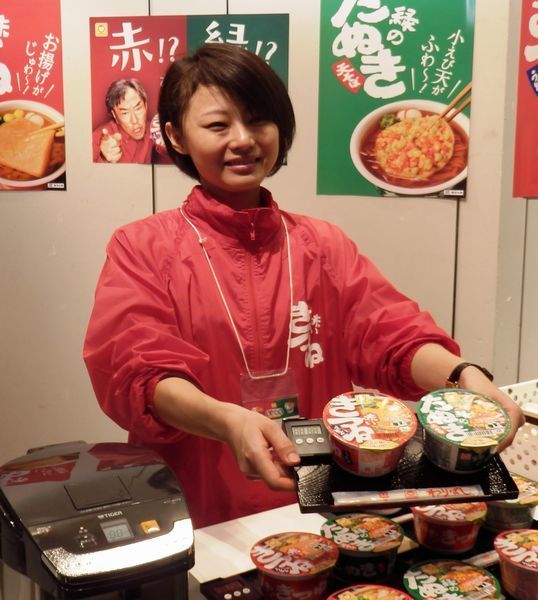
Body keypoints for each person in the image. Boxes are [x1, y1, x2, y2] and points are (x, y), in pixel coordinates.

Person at [83, 44, 524, 529]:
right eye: (217, 125)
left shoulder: (321, 243)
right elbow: (135, 373)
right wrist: (229, 422)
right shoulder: (142, 246)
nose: (243, 140)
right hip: (198, 510)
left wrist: (462, 377)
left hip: (322, 507)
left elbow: (392, 335)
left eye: (258, 121)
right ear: (176, 137)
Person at [92, 78, 155, 164]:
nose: (134, 120)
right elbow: (82, 174)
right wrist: (104, 160)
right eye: (125, 113)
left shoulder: (154, 130)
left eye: (138, 108)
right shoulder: (97, 138)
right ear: (114, 115)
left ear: (146, 106)